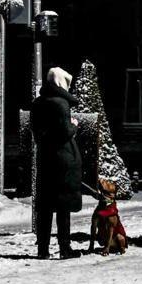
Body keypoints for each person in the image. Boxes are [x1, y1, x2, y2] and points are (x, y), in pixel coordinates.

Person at [30, 67, 83, 259]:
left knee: (45, 206)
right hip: (63, 159)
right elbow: (64, 132)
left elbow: (37, 131)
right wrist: (74, 125)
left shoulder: (37, 103)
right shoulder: (61, 104)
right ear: (61, 83)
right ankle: (64, 249)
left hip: (45, 158)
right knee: (63, 207)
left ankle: (42, 250)